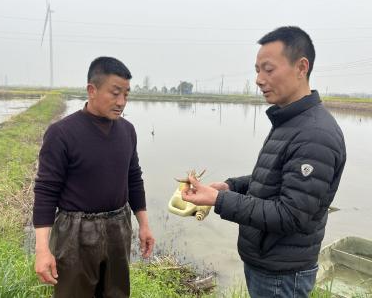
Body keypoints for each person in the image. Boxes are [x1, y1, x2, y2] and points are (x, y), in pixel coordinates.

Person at [182, 26, 346, 298]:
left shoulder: (315, 135)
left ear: (301, 67)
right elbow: (275, 178)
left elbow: (290, 214)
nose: (258, 79)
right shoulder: (291, 121)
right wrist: (230, 187)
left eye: (268, 70)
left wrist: (218, 201)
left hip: (282, 275)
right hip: (268, 264)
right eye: (257, 70)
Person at [33, 56, 155, 298]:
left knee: (116, 293)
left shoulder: (127, 131)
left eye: (126, 95)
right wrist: (42, 249)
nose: (122, 102)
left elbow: (134, 178)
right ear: (92, 90)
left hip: (118, 228)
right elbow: (46, 192)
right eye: (115, 93)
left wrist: (144, 225)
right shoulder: (62, 134)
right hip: (75, 232)